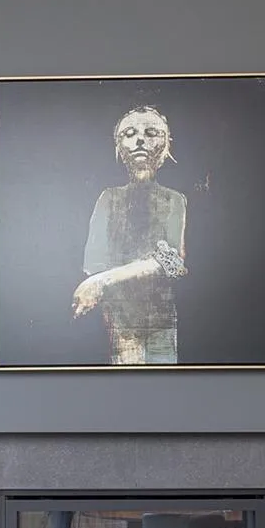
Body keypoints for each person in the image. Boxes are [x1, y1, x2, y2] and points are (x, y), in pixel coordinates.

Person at [72, 106, 188, 365]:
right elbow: (94, 263)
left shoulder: (174, 200)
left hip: (162, 321)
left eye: (151, 133)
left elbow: (173, 262)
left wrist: (102, 281)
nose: (140, 141)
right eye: (130, 133)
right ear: (119, 145)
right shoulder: (108, 199)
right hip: (119, 321)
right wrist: (100, 281)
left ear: (165, 144)